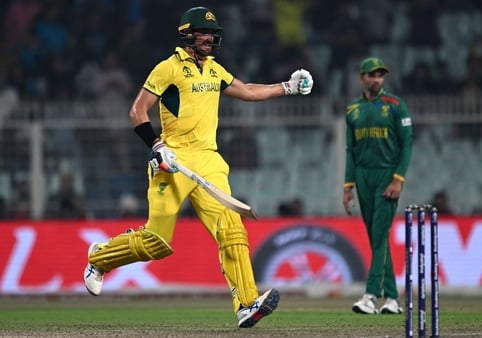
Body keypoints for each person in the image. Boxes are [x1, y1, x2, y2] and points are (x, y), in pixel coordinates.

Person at [83, 6, 313, 329]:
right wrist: (157, 146)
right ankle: (99, 258)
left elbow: (246, 90)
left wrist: (286, 87)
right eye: (204, 34)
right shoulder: (168, 69)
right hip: (172, 160)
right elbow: (138, 111)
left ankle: (246, 304)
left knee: (232, 230)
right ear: (188, 35)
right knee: (157, 243)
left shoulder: (215, 70)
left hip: (209, 160)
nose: (210, 39)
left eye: (213, 34)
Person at [342, 57, 413, 315]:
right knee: (377, 238)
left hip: (386, 177)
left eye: (380, 75)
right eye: (372, 75)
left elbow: (407, 145)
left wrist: (398, 179)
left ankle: (371, 296)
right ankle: (393, 300)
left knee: (380, 234)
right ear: (362, 78)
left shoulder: (396, 105)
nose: (376, 80)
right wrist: (348, 186)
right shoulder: (352, 110)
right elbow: (350, 149)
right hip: (362, 177)